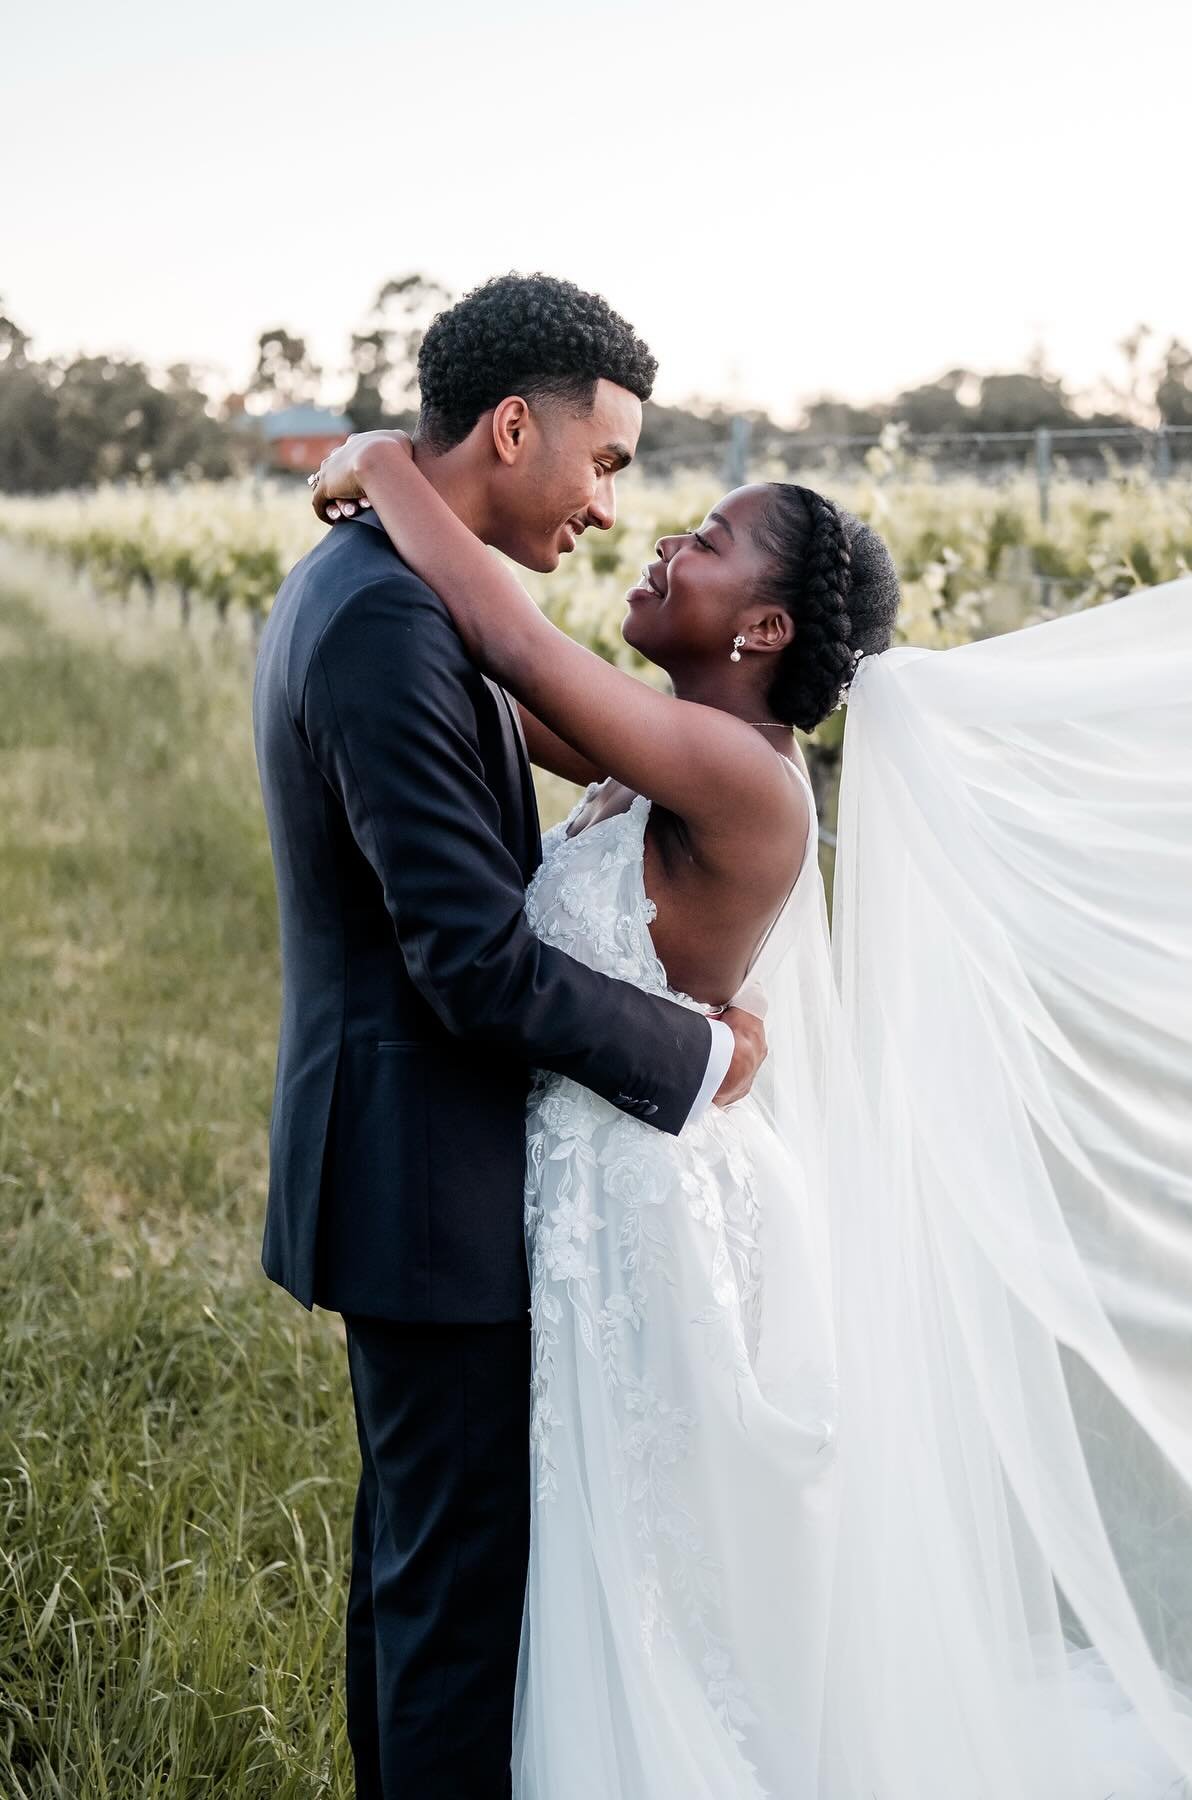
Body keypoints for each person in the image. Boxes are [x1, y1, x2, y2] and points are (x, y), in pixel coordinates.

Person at [315, 427, 1192, 1794]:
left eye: (707, 544)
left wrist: (386, 466)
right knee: (587, 1564)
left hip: (650, 1218)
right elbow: (482, 682)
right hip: (591, 1188)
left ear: (765, 625)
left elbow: (514, 644)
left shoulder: (743, 777)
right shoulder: (674, 748)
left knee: (653, 1582)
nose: (665, 543)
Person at [251, 274, 767, 1800]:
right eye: (606, 462)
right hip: (426, 1189)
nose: (613, 508)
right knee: (457, 1615)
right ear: (514, 425)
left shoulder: (397, 596)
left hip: (425, 1179)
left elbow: (550, 716)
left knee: (427, 1581)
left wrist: (374, 466)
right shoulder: (391, 626)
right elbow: (473, 964)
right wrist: (701, 1056)